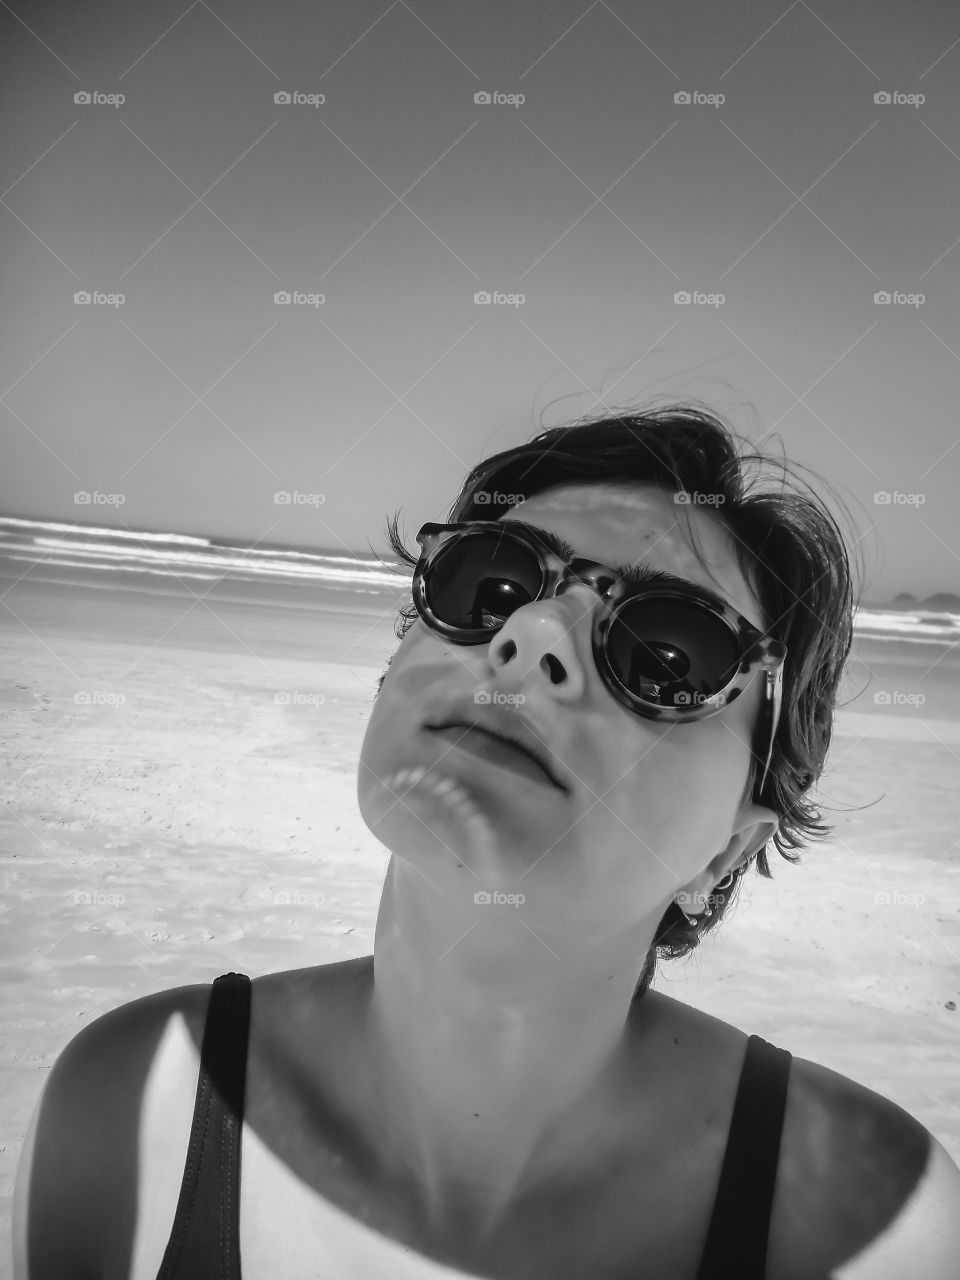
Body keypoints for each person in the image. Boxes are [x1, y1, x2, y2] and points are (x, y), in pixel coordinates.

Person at [14, 405, 960, 1280]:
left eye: (668, 654)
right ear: (392, 673)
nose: (533, 632)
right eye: (488, 580)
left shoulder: (866, 1220)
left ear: (726, 851)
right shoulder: (137, 1104)